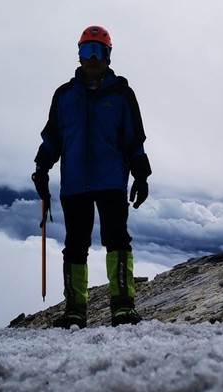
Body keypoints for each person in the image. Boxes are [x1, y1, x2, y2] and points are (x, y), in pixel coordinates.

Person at [31, 25, 152, 328]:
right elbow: (53, 137)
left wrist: (141, 175)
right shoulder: (64, 96)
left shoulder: (122, 95)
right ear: (79, 55)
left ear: (109, 56)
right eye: (88, 50)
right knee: (75, 244)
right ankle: (75, 311)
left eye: (100, 51)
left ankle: (123, 308)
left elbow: (134, 139)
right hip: (75, 184)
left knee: (117, 239)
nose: (93, 58)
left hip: (111, 181)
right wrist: (42, 168)